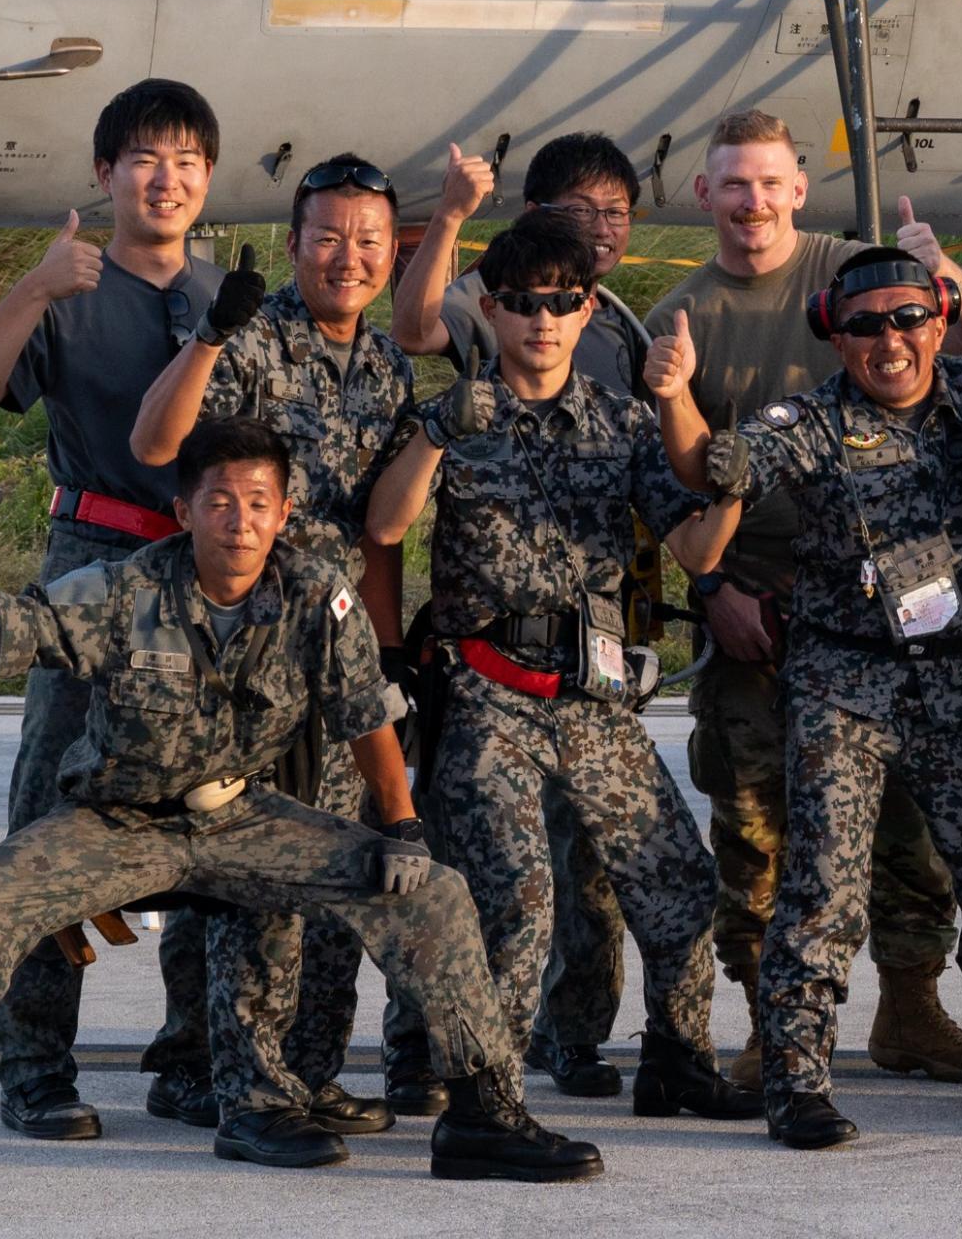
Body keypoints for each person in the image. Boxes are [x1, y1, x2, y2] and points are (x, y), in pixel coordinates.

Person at [0, 423, 597, 1226]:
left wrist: (403, 828)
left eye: (259, 503)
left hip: (241, 815)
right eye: (220, 501)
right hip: (118, 820)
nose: (240, 521)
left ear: (284, 512)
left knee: (434, 894)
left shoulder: (317, 592)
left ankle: (483, 1114)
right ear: (184, 510)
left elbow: (366, 717)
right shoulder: (124, 588)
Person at [631, 111, 962, 1090]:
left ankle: (912, 1007)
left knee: (912, 834)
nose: (753, 201)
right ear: (704, 194)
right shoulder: (681, 313)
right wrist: (714, 590)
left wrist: (945, 274)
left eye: (770, 182)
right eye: (734, 184)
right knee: (760, 833)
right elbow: (679, 481)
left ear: (799, 187)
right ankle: (776, 1029)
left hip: (882, 618)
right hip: (754, 614)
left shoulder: (858, 274)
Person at [364, 211, 754, 1120]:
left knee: (679, 883)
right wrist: (435, 432)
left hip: (591, 696)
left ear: (589, 311)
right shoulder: (458, 416)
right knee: (514, 900)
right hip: (486, 691)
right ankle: (477, 1091)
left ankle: (678, 1056)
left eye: (563, 302)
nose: (543, 320)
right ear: (492, 310)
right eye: (524, 302)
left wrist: (730, 488)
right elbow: (384, 523)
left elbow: (696, 548)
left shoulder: (619, 422)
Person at [0, 76, 234, 1142]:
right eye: (145, 159)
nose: (166, 180)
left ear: (208, 178)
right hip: (94, 567)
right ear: (105, 174)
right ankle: (35, 1067)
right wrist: (31, 290)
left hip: (208, 578)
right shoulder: (70, 286)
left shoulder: (229, 297)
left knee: (209, 814)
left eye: (187, 162)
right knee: (54, 820)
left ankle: (193, 1057)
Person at [127, 152, 422, 1165]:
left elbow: (380, 532)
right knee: (246, 869)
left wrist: (387, 650)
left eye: (369, 240)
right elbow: (163, 451)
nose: (348, 257)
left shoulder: (388, 368)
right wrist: (212, 334)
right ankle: (225, 1073)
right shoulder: (249, 340)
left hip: (339, 650)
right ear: (294, 242)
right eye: (328, 236)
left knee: (338, 859)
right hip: (248, 647)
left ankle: (308, 1070)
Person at [392, 131, 672, 1100]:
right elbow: (414, 325)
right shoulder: (486, 302)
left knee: (599, 872)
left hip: (592, 663)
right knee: (484, 878)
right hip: (487, 670)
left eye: (614, 213)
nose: (545, 315)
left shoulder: (624, 338)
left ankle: (576, 1037)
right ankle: (434, 1056)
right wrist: (450, 216)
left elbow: (670, 503)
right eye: (577, 211)